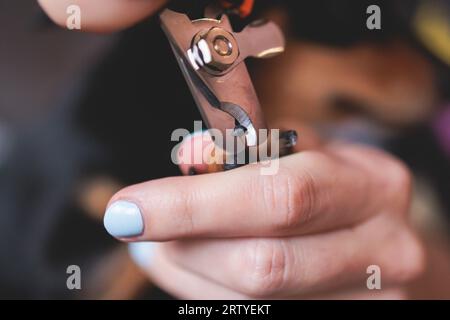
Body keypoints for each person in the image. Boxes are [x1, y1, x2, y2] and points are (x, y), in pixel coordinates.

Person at [20, 0, 448, 299]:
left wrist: (429, 279)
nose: (426, 71)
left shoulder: (399, 144)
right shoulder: (86, 159)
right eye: (373, 33)